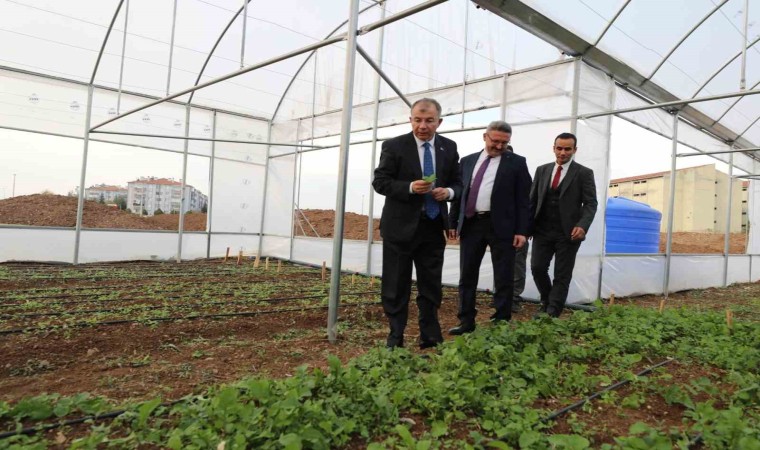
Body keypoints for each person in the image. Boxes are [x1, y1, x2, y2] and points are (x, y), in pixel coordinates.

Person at [372, 98, 462, 349]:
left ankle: (430, 335)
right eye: (418, 120)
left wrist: (449, 193)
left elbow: (458, 182)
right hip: (399, 228)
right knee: (396, 283)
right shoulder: (394, 146)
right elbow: (380, 182)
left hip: (432, 227)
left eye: (429, 121)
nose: (423, 126)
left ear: (439, 122)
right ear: (410, 120)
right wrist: (410, 187)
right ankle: (395, 336)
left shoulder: (448, 147)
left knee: (431, 284)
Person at [447, 121, 531, 335]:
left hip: (503, 226)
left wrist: (522, 231)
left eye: (505, 142)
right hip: (471, 223)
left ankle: (501, 320)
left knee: (503, 275)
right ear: (485, 137)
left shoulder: (517, 163)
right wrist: (452, 222)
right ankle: (466, 320)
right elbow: (460, 194)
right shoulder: (467, 161)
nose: (500, 146)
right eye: (495, 141)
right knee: (467, 274)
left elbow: (524, 200)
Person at [529, 132, 597, 318]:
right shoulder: (542, 170)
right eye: (559, 148)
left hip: (568, 232)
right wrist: (527, 226)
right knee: (537, 268)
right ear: (553, 148)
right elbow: (532, 200)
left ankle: (552, 312)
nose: (563, 152)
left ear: (575, 150)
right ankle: (547, 300)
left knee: (562, 274)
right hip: (542, 230)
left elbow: (591, 203)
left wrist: (582, 225)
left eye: (567, 149)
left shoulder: (584, 173)